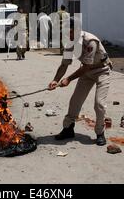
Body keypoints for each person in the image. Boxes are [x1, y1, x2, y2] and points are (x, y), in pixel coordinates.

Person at [48, 18, 113, 146]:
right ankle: (68, 129)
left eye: (69, 32)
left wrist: (68, 79)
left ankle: (100, 133)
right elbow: (64, 65)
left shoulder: (90, 41)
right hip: (86, 72)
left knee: (99, 104)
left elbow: (87, 66)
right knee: (75, 101)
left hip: (102, 70)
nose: (67, 35)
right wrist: (55, 80)